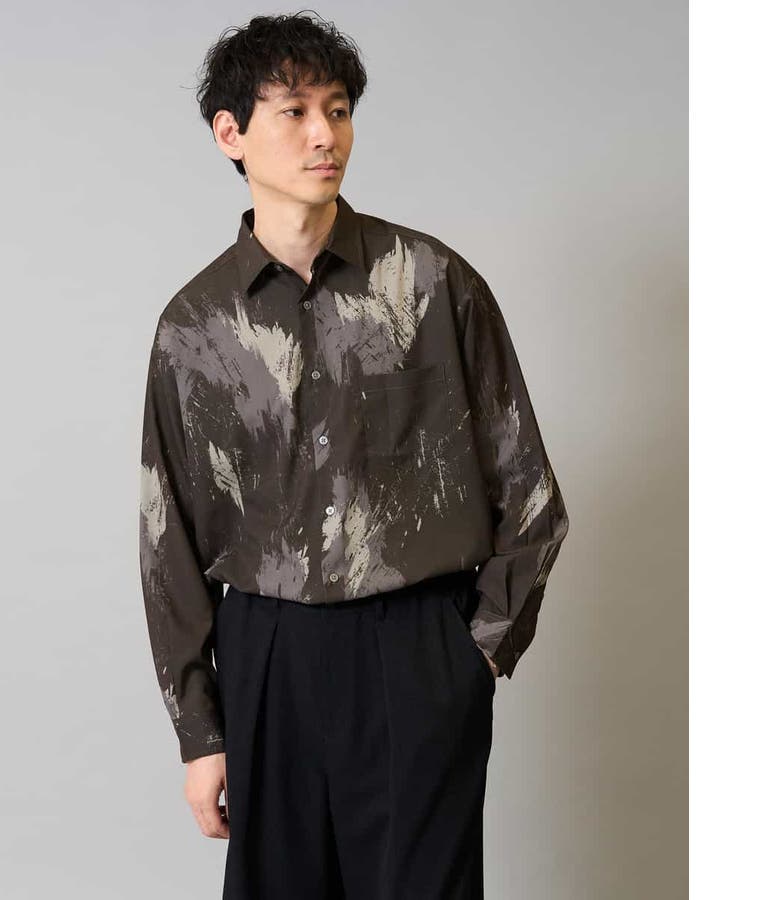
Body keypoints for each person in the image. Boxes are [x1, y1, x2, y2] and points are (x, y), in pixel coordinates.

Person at [138, 11, 570, 899]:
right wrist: (201, 733)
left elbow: (530, 495)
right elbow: (168, 541)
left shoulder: (434, 283)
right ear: (230, 133)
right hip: (269, 655)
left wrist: (475, 657)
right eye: (294, 111)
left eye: (337, 110)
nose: (324, 135)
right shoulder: (195, 326)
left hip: (416, 646)